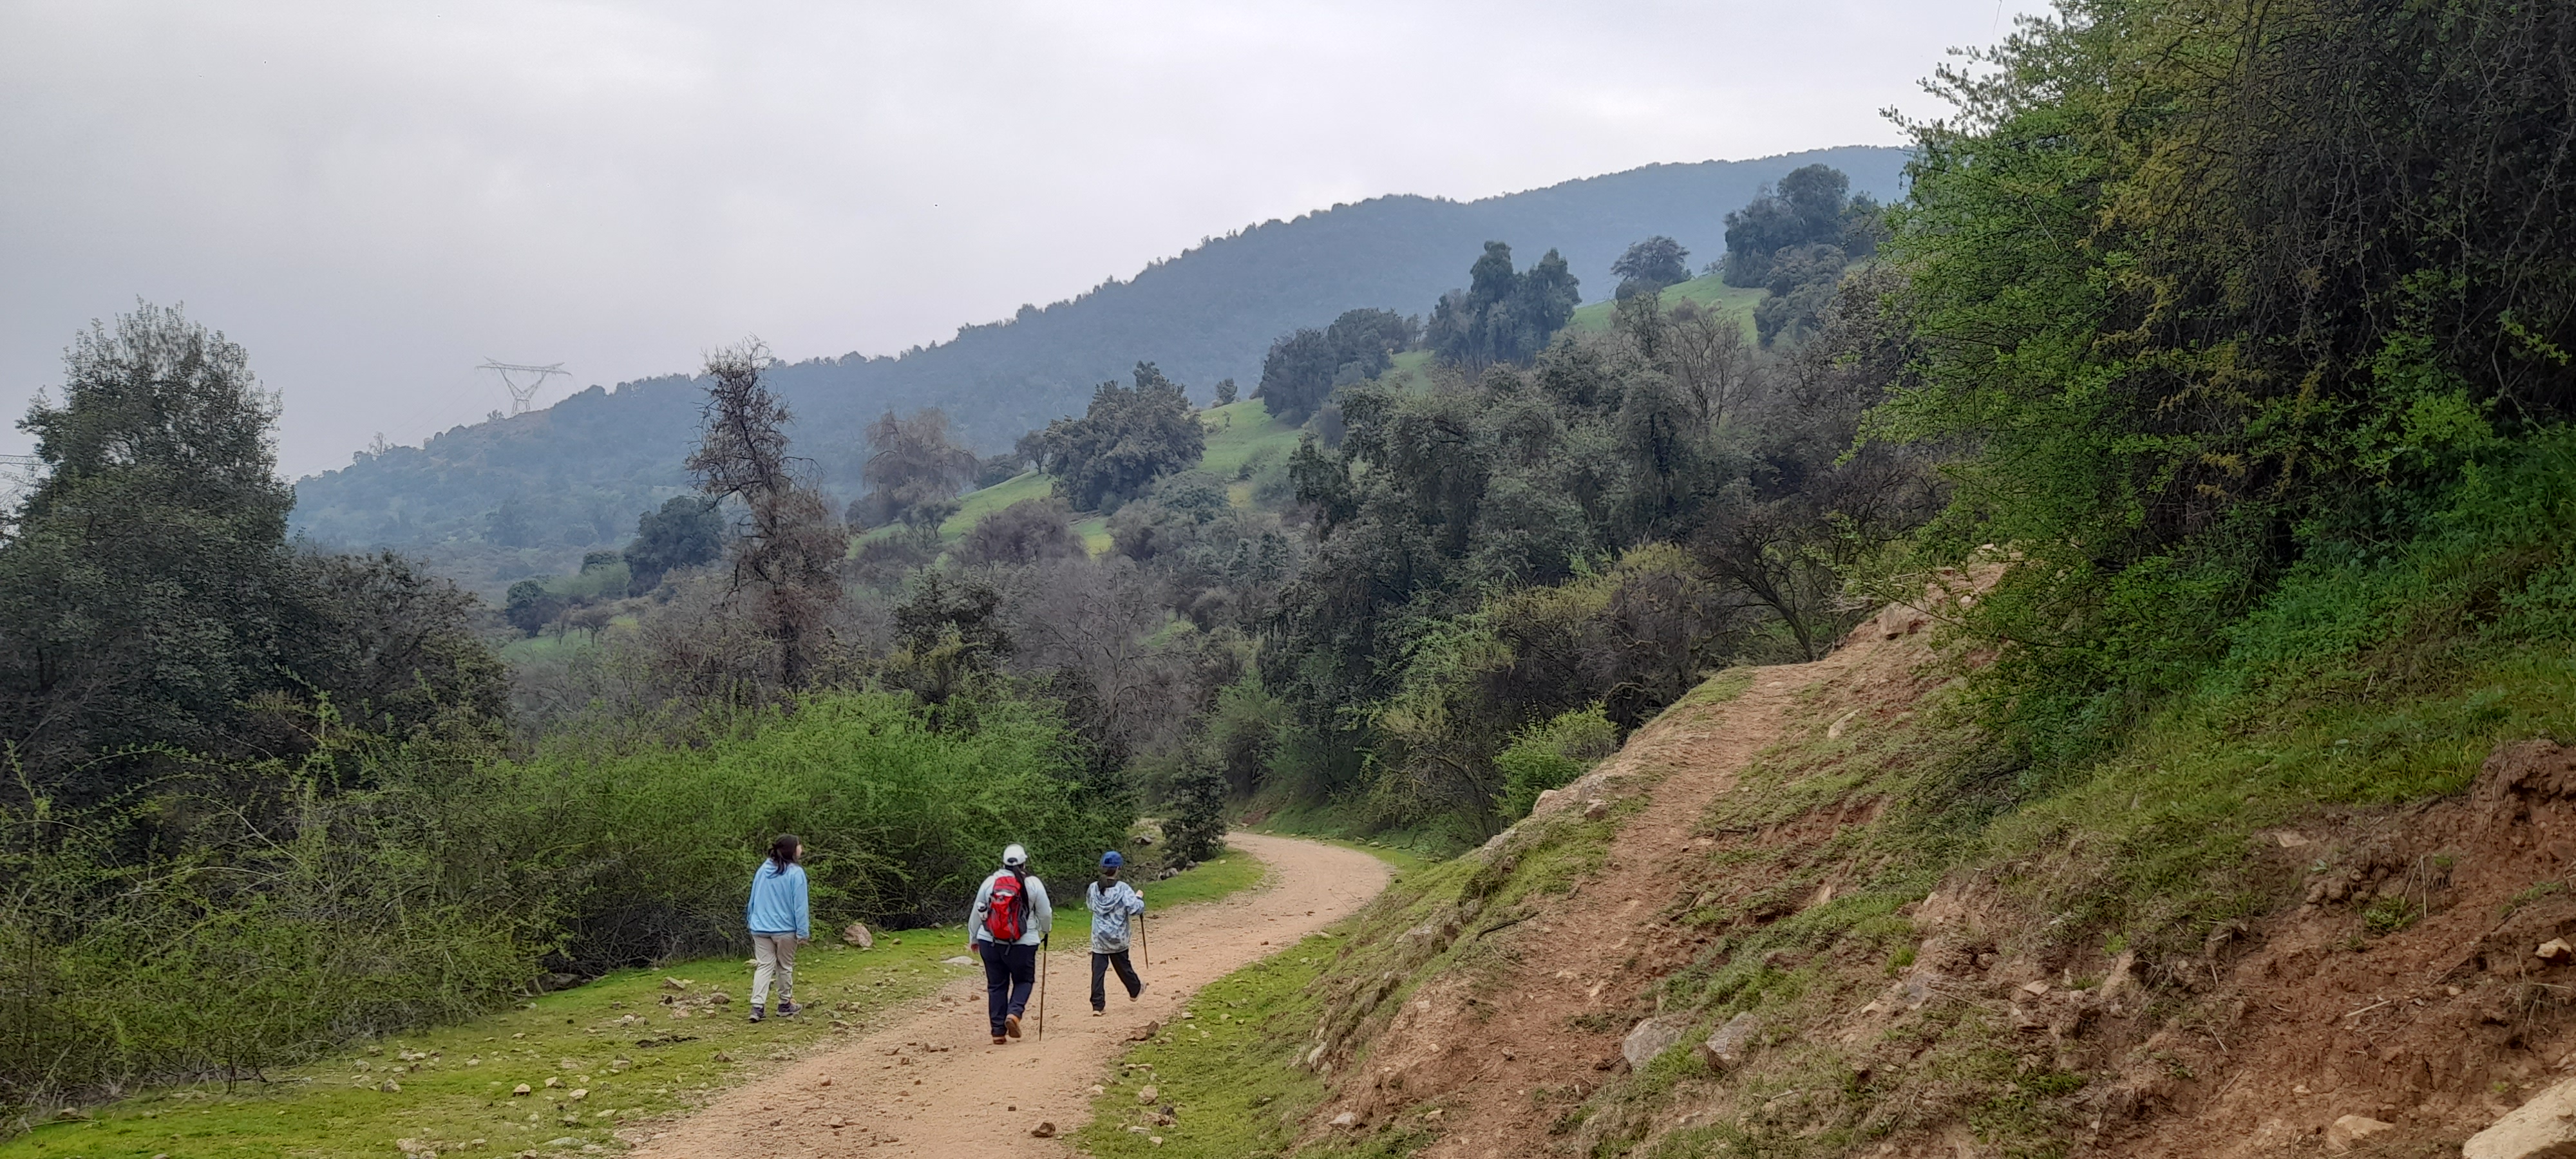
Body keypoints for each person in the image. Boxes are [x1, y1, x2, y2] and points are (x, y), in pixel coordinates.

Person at [966, 843, 1053, 1045]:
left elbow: (976, 914)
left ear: (1002, 862)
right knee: (1024, 981)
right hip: (1024, 943)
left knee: (996, 985)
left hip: (990, 941)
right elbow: (1045, 913)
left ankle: (998, 1032)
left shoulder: (990, 882)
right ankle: (1013, 1015)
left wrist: (974, 938)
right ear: (1025, 861)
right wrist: (1046, 930)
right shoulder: (1033, 884)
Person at [745, 833, 810, 1024]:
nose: (802, 848)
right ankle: (784, 1004)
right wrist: (803, 932)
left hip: (760, 927)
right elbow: (800, 906)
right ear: (793, 849)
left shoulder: (764, 869)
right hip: (785, 929)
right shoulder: (796, 873)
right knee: (785, 966)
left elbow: (754, 896)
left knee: (764, 966)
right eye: (799, 845)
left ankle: (757, 1007)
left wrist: (751, 919)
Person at [1086, 851, 1148, 1014]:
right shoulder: (1123, 889)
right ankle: (1134, 990)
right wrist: (1139, 898)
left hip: (1099, 937)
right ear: (1119, 868)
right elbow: (1135, 909)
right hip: (1118, 937)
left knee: (1098, 970)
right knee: (1123, 966)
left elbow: (1090, 906)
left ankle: (1097, 1006)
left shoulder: (1094, 888)